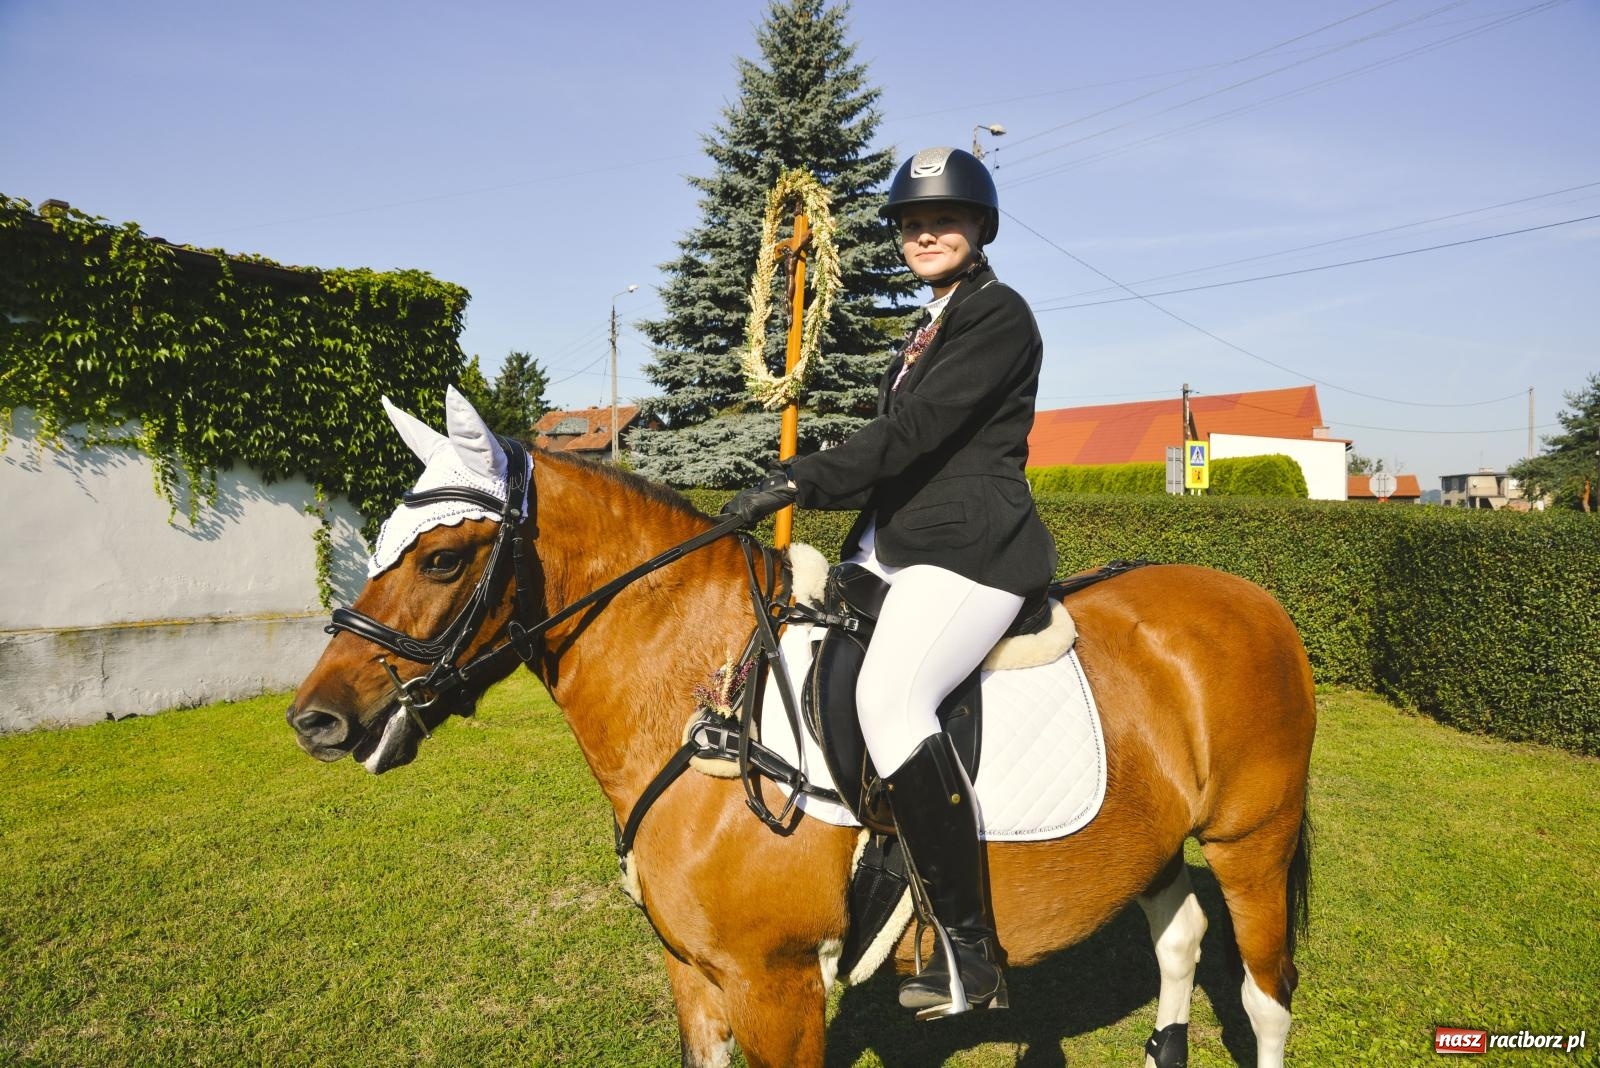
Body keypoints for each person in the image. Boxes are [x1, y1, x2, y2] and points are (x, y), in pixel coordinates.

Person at [723, 146, 1056, 1018]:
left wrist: (801, 477)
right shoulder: (928, 325)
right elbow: (899, 452)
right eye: (912, 224)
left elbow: (912, 434)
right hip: (894, 548)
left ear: (979, 228)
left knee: (892, 700)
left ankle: (972, 953)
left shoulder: (999, 317)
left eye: (943, 220)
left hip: (971, 552)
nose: (926, 234)